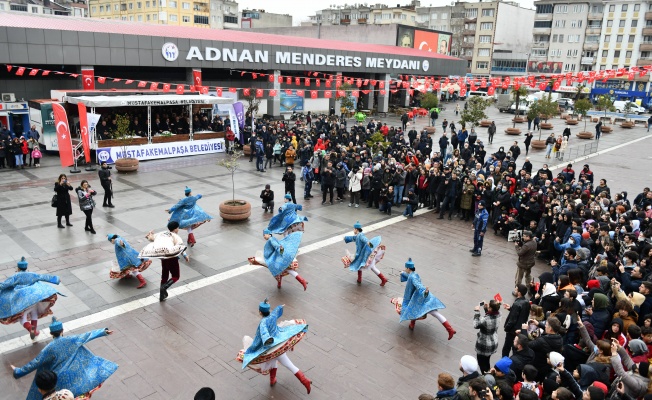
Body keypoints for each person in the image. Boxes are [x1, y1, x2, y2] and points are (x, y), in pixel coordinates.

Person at [10, 317, 118, 400]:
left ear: (51, 333)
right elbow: (87, 335)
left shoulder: (48, 348)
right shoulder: (71, 339)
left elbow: (34, 363)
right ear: (62, 330)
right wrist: (103, 331)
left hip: (59, 380)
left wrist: (18, 371)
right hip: (76, 375)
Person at [236, 299, 312, 394]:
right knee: (286, 364)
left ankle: (304, 381)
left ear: (260, 312)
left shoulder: (263, 322)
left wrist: (264, 342)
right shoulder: (272, 316)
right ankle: (301, 381)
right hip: (278, 344)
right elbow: (276, 311)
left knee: (285, 364)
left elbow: (264, 333)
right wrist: (280, 306)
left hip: (271, 348)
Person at [390, 258, 456, 338]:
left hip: (421, 299)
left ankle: (450, 330)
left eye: (405, 268)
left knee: (432, 313)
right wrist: (403, 273)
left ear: (408, 268)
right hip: (418, 298)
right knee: (413, 309)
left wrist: (424, 292)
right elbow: (409, 276)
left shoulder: (413, 277)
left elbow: (418, 285)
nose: (404, 269)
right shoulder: (414, 274)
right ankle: (412, 324)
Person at [0, 257, 60, 339]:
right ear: (26, 267)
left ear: (18, 268)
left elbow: (3, 285)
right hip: (33, 300)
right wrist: (56, 279)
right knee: (34, 313)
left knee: (22, 319)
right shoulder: (32, 274)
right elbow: (43, 277)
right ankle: (34, 331)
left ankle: (31, 329)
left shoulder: (15, 277)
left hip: (22, 302)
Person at [139, 221, 189, 302]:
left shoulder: (161, 233)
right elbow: (180, 247)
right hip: (171, 257)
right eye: (178, 228)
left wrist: (149, 235)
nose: (178, 229)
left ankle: (162, 295)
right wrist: (185, 256)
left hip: (163, 257)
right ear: (176, 229)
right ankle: (164, 287)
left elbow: (151, 238)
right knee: (176, 276)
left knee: (164, 275)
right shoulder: (175, 236)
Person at [342, 221, 388, 286]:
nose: (353, 230)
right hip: (363, 254)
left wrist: (370, 245)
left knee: (372, 267)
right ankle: (359, 279)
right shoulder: (358, 235)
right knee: (359, 265)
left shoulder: (360, 236)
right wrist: (346, 238)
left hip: (366, 254)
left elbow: (365, 240)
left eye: (354, 229)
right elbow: (353, 238)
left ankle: (383, 279)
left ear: (356, 229)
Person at [501, 284, 530, 357]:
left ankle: (504, 363)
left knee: (506, 348)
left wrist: (506, 328)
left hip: (512, 330)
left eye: (516, 289)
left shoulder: (517, 304)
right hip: (520, 328)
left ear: (519, 293)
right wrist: (511, 308)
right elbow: (522, 313)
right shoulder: (526, 302)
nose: (515, 290)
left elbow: (512, 320)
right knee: (515, 348)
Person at [474, 299, 502, 374]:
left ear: (491, 309)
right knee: (486, 361)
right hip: (493, 341)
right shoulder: (499, 314)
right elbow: (491, 317)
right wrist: (486, 309)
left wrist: (477, 312)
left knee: (482, 363)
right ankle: (489, 373)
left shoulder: (485, 319)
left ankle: (486, 377)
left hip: (484, 344)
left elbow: (476, 325)